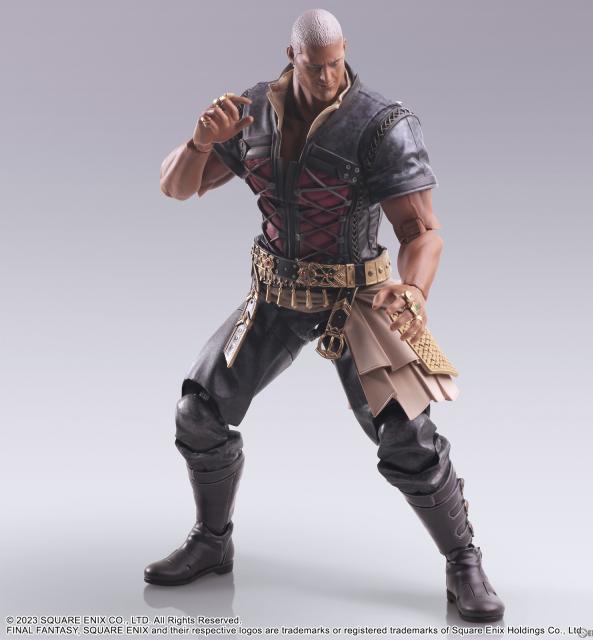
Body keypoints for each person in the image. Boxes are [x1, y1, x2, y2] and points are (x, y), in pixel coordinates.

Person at [144, 8, 505, 622]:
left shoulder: (380, 124)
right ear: (292, 56)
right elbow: (176, 187)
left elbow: (422, 232)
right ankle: (211, 542)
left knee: (408, 439)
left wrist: (414, 292)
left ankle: (464, 562)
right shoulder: (252, 113)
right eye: (316, 66)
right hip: (276, 293)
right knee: (198, 413)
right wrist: (202, 142)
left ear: (346, 51)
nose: (329, 75)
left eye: (336, 62)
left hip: (357, 298)